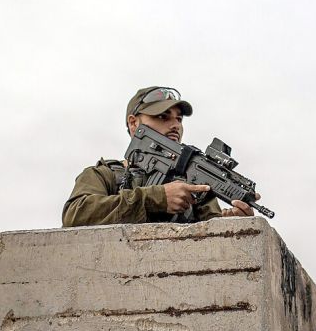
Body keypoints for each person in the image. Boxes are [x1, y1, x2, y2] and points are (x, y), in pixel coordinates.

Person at [61, 87, 258, 227]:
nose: (175, 125)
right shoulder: (104, 175)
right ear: (134, 123)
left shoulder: (192, 185)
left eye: (179, 119)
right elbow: (75, 214)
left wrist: (232, 223)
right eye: (163, 116)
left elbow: (210, 232)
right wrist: (156, 198)